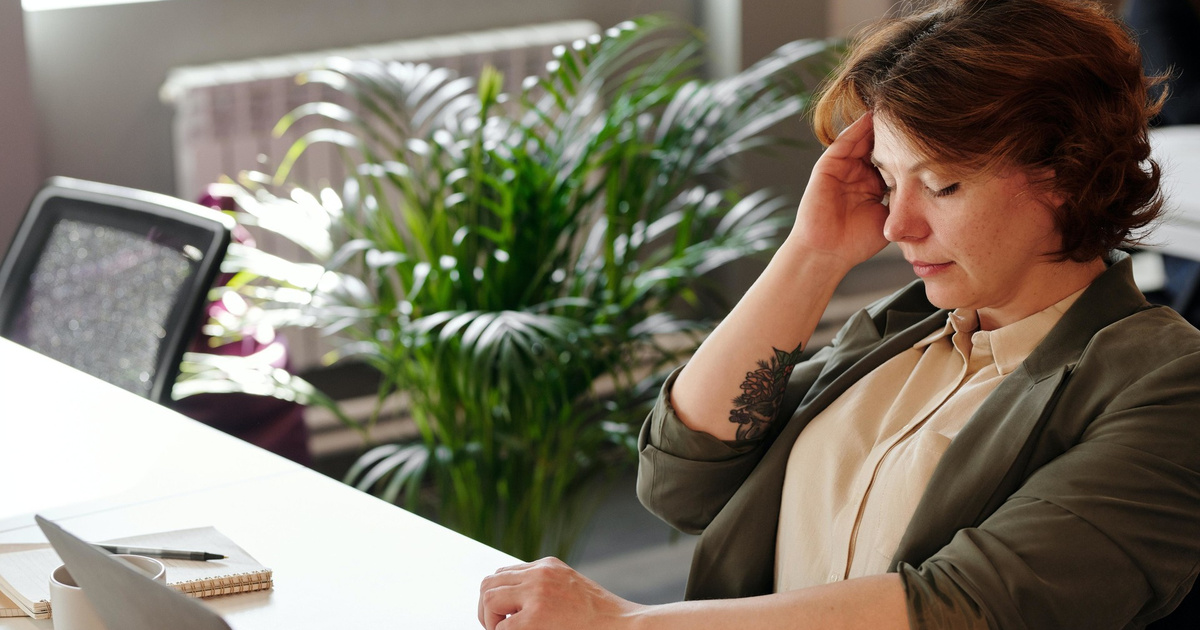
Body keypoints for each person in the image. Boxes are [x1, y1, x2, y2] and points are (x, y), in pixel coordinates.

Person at [477, 0, 1200, 628]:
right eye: (887, 180)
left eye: (942, 185)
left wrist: (622, 623)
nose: (897, 225)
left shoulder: (1167, 385)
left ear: (1069, 171)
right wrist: (811, 254)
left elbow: (967, 608)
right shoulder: (902, 330)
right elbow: (681, 480)